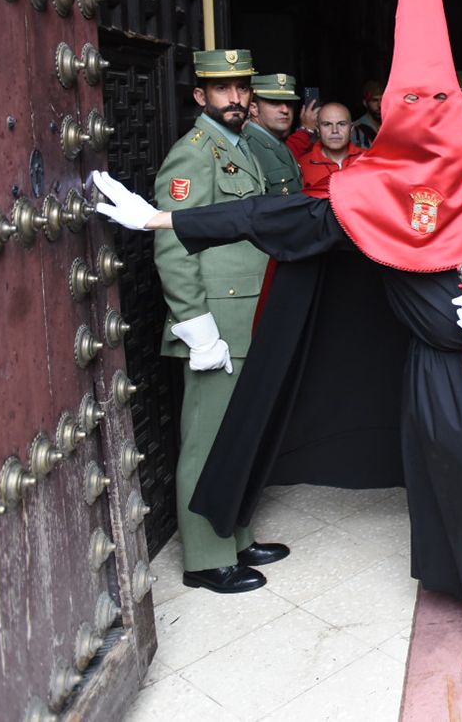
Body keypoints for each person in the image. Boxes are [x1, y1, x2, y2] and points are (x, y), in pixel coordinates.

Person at [94, 0, 462, 686]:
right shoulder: (372, 188)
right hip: (437, 370)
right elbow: (285, 216)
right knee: (460, 484)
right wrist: (173, 215)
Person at [152, 47, 289, 594]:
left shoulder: (244, 146)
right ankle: (207, 558)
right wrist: (194, 323)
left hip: (247, 312)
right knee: (207, 439)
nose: (235, 97)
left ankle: (234, 534)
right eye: (222, 88)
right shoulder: (193, 155)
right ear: (200, 96)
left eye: (241, 87)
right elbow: (172, 240)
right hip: (215, 321)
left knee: (238, 434)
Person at [243, 72, 303, 197]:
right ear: (254, 108)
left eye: (289, 103)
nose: (285, 110)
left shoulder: (277, 141)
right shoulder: (247, 147)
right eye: (275, 103)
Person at [299, 102, 363, 197]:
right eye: (327, 124)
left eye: (341, 124)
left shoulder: (368, 159)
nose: (334, 130)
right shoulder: (302, 165)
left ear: (351, 129)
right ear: (318, 130)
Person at [352, 78, 383, 148]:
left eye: (382, 100)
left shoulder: (393, 126)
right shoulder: (356, 130)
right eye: (374, 100)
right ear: (365, 103)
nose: (380, 105)